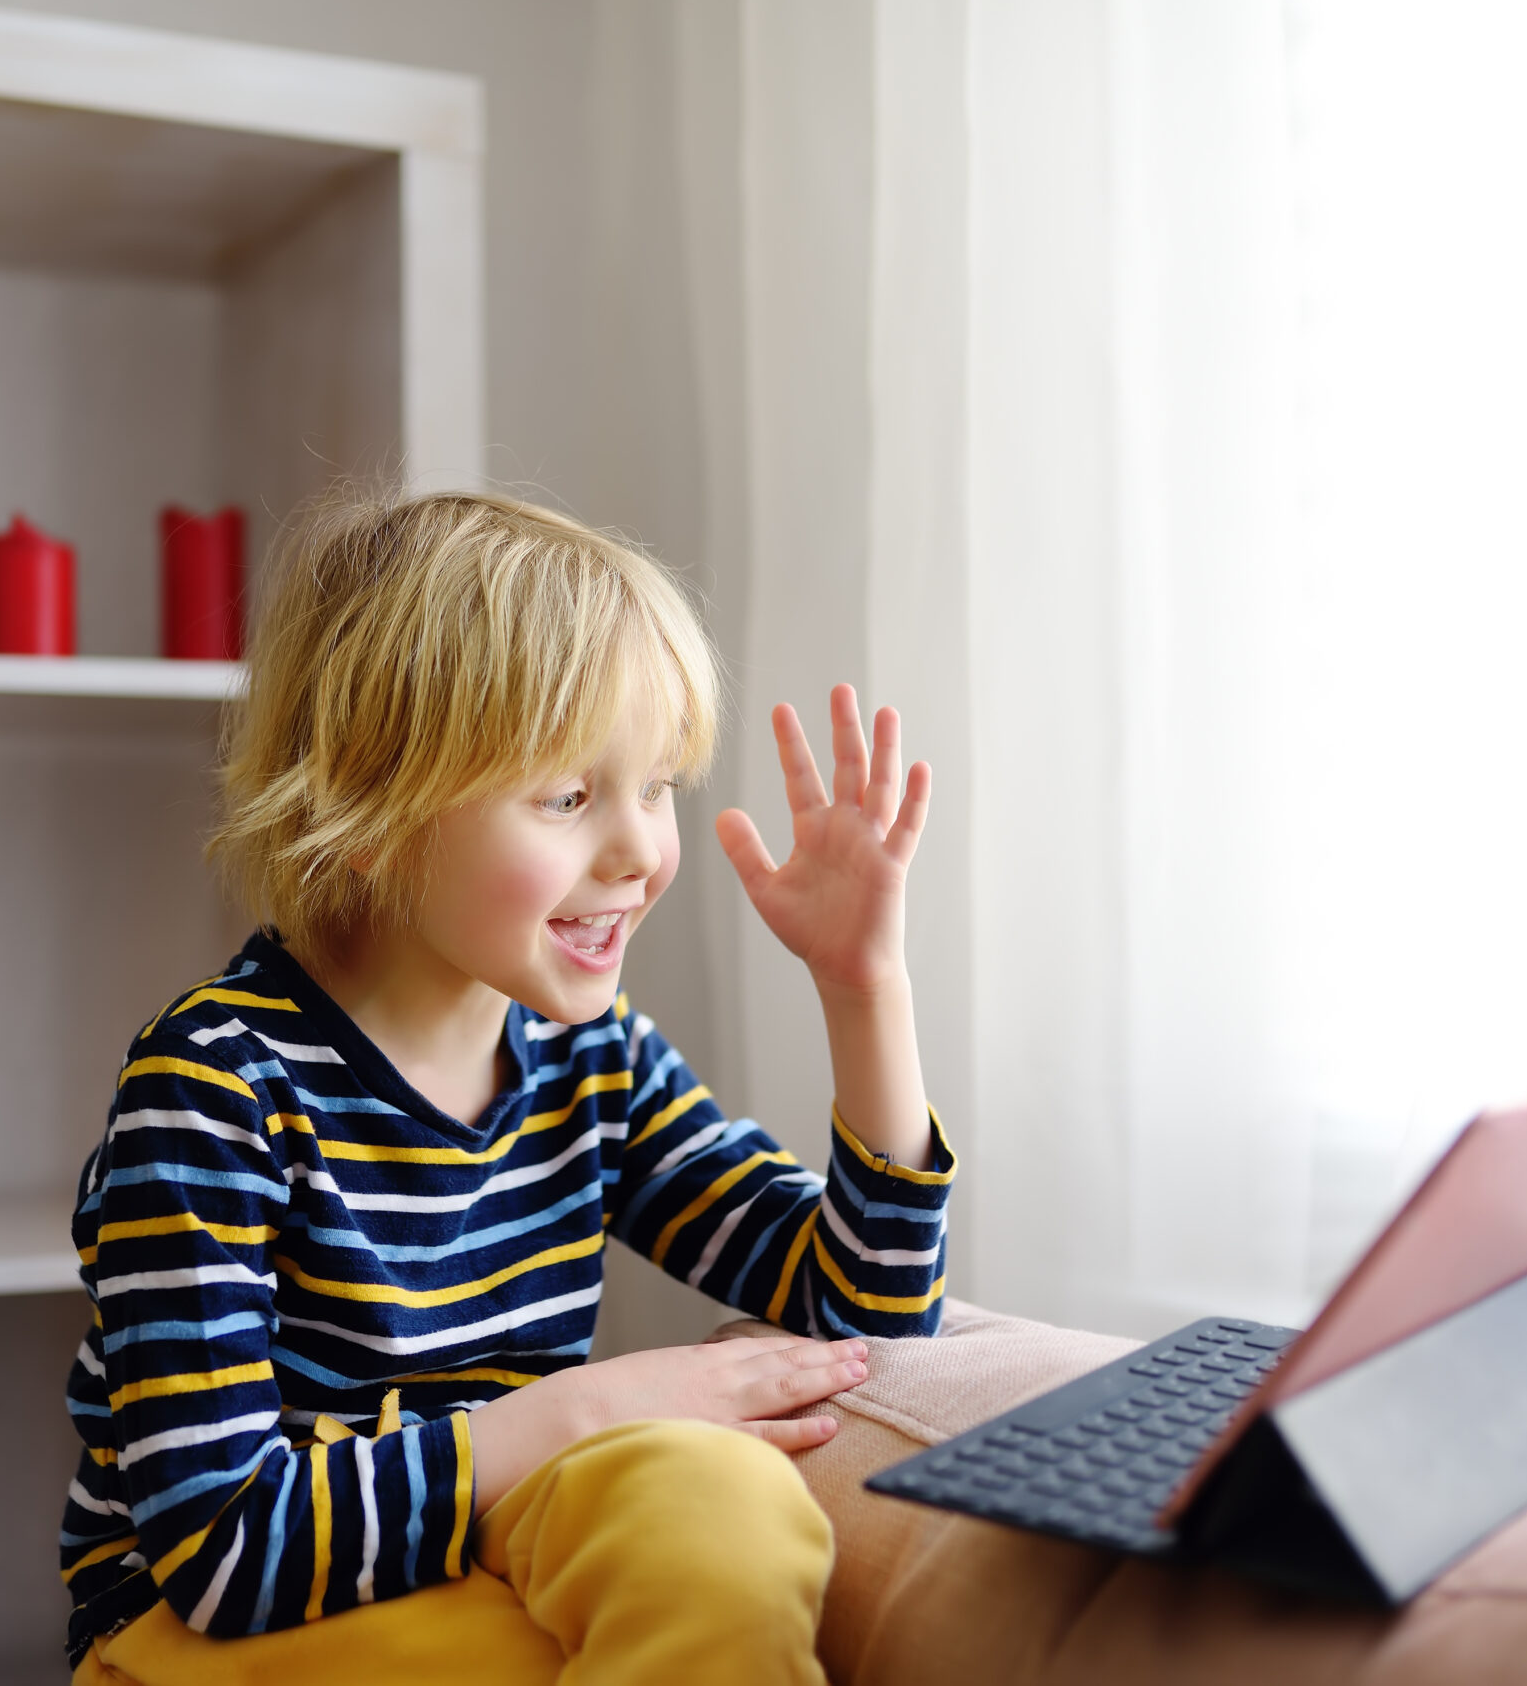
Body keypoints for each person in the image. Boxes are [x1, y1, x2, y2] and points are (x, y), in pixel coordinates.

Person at [61, 491, 954, 1686]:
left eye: (658, 785)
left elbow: (864, 1305)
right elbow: (228, 1553)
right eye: (570, 797)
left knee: (718, 1507)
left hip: (495, 1535)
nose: (639, 851)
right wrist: (600, 1405)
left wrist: (864, 987)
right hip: (201, 1628)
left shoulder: (592, 1061)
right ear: (364, 812)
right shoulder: (213, 1087)